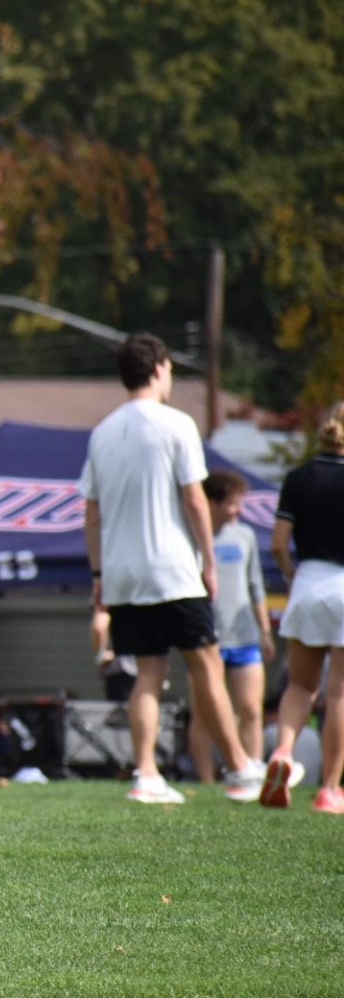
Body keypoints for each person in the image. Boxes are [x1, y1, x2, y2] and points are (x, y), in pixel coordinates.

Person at [82, 334, 264, 804]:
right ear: (159, 368)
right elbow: (194, 500)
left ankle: (146, 775)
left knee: (148, 672)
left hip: (122, 574)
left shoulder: (102, 432)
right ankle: (241, 769)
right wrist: (208, 560)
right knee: (205, 664)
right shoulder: (176, 424)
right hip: (172, 570)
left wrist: (99, 576)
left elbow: (92, 513)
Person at [261, 401, 344, 812]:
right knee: (339, 691)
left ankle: (283, 753)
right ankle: (330, 789)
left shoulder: (299, 477)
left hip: (308, 581)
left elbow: (277, 543)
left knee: (299, 685)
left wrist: (291, 573)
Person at [188, 469, 273, 786]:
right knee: (204, 714)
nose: (238, 511)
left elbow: (255, 585)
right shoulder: (192, 534)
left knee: (251, 709)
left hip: (245, 636)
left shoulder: (245, 535)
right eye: (232, 504)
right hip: (205, 637)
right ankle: (208, 781)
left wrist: (264, 630)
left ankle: (249, 775)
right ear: (212, 502)